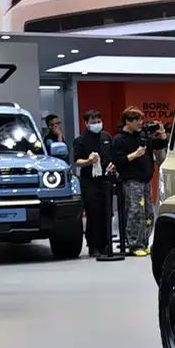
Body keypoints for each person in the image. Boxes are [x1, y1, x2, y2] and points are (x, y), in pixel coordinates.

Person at [111, 107, 166, 257]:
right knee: (135, 213)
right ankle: (135, 244)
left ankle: (144, 242)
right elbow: (118, 161)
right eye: (137, 120)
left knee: (148, 213)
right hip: (131, 181)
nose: (140, 123)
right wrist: (135, 155)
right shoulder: (119, 139)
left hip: (146, 180)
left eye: (141, 120)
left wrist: (162, 134)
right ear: (128, 121)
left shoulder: (142, 136)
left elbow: (160, 144)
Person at [72, 110, 115, 257]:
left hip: (106, 180)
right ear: (86, 123)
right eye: (93, 122)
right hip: (89, 181)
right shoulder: (80, 140)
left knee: (107, 212)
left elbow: (112, 156)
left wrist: (113, 165)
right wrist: (89, 161)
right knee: (94, 213)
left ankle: (106, 244)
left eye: (98, 121)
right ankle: (93, 245)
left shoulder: (106, 137)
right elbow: (77, 161)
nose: (97, 124)